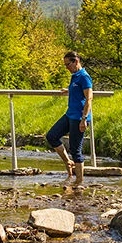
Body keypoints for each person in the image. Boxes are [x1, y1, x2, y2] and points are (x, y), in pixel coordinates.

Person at [46, 51, 93, 187]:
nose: (66, 67)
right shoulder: (74, 76)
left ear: (75, 62)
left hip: (79, 117)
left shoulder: (84, 77)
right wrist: (68, 90)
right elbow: (78, 91)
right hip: (69, 115)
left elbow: (89, 98)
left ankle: (79, 182)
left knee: (75, 149)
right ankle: (68, 162)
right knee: (52, 136)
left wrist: (84, 119)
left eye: (68, 64)